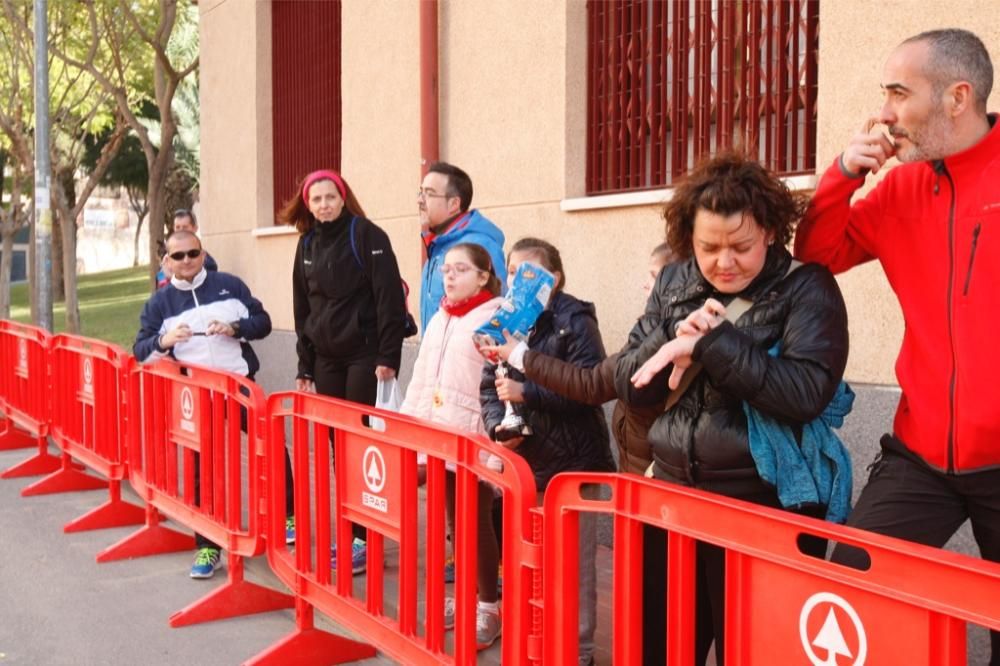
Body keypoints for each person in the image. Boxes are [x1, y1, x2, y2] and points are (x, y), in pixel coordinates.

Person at [793, 28, 1000, 663]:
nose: (883, 112)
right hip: (921, 455)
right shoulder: (903, 187)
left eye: (897, 93)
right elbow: (819, 252)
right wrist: (841, 176)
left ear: (957, 97)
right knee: (851, 585)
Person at [608, 152, 849, 664]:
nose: (724, 262)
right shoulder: (675, 281)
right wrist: (667, 344)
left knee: (758, 649)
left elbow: (806, 394)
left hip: (765, 508)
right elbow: (631, 380)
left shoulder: (806, 288)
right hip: (672, 499)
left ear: (769, 231)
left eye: (740, 246)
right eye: (707, 247)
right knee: (662, 647)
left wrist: (713, 344)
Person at [480, 238, 615, 665]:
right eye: (514, 271)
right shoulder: (504, 320)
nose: (521, 279)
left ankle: (579, 652)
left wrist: (529, 393)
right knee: (529, 562)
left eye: (531, 271)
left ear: (554, 278)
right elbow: (489, 386)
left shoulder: (573, 320)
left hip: (573, 463)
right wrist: (497, 426)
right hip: (525, 465)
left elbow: (588, 388)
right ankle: (534, 644)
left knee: (573, 567)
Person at [133, 230, 283, 579]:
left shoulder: (229, 285)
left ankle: (285, 518)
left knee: (273, 449)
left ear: (203, 254)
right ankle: (207, 545)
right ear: (167, 261)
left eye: (193, 253)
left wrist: (235, 328)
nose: (186, 261)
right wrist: (164, 340)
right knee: (204, 469)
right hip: (198, 396)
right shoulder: (160, 303)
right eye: (179, 256)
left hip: (240, 387)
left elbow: (263, 323)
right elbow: (140, 351)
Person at [280, 169, 408, 575]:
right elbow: (303, 311)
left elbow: (389, 299)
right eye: (316, 199)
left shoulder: (367, 235)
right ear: (307, 204)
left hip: (365, 357)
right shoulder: (306, 245)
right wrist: (305, 364)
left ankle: (367, 538)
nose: (323, 205)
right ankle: (354, 535)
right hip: (326, 361)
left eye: (330, 197)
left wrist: (388, 356)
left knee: (362, 445)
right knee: (339, 446)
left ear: (343, 197)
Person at [398, 242, 504, 649]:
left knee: (476, 521)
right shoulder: (442, 315)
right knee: (454, 523)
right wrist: (409, 428)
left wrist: (491, 443)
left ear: (483, 275)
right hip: (438, 431)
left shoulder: (493, 315)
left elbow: (496, 380)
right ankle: (466, 597)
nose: (450, 275)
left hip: (472, 435)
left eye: (461, 269)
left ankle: (488, 606)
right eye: (445, 269)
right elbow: (423, 378)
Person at [418, 162, 506, 333]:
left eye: (429, 194)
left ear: (454, 204)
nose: (420, 200)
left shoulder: (478, 246)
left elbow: (498, 311)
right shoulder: (438, 246)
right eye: (421, 192)